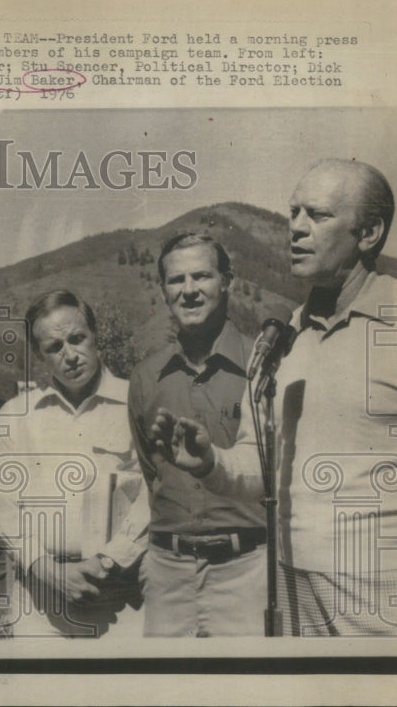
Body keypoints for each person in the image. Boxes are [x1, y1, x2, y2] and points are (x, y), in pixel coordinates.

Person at [150, 159, 397, 636]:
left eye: (318, 215)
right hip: (294, 599)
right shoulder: (282, 339)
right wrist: (210, 464)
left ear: (369, 232)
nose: (296, 229)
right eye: (292, 213)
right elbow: (262, 469)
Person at [0, 290, 149, 638]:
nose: (70, 355)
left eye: (77, 339)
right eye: (54, 347)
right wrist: (51, 574)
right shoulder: (16, 416)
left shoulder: (136, 403)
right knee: (45, 692)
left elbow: (153, 497)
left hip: (121, 596)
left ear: (95, 337)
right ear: (39, 355)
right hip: (39, 602)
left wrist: (108, 561)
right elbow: (5, 511)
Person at [128, 233, 263, 637]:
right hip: (168, 573)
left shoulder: (263, 367)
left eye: (201, 276)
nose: (188, 291)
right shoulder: (145, 378)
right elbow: (152, 474)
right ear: (164, 291)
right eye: (176, 280)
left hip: (248, 571)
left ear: (228, 282)